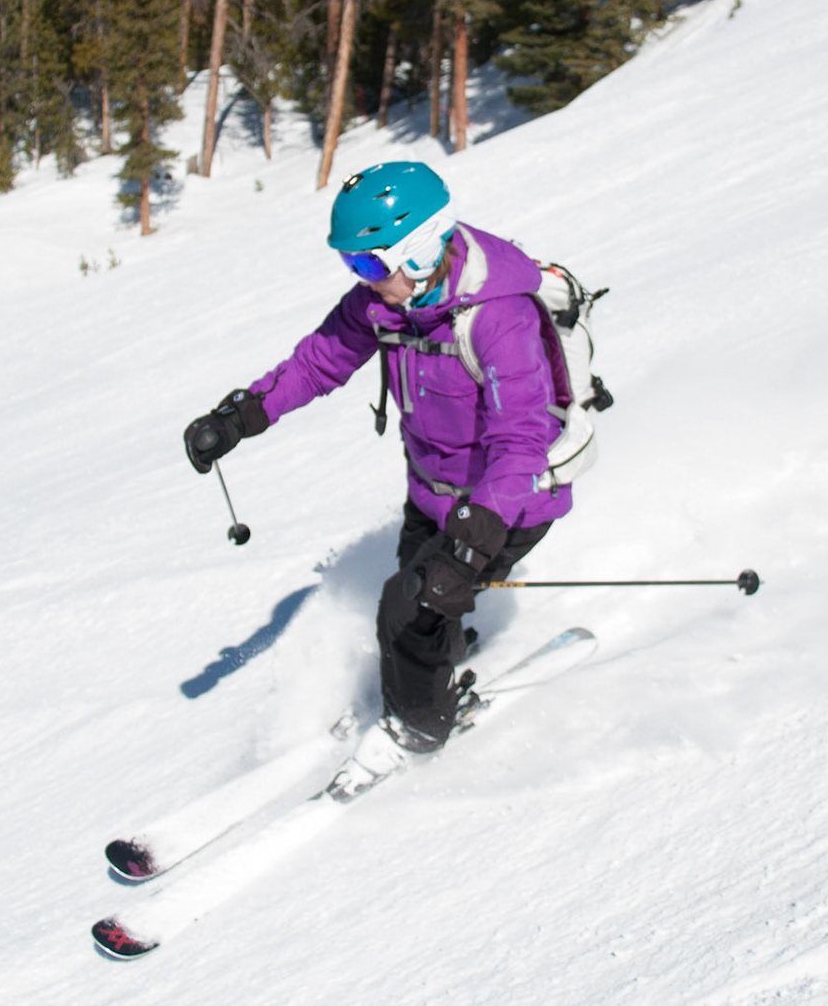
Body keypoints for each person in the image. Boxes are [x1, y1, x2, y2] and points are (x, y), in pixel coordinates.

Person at [184, 161, 573, 788]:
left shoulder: (500, 318)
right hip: (432, 489)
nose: (362, 281)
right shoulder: (390, 303)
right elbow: (319, 362)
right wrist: (241, 417)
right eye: (352, 266)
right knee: (419, 592)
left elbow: (521, 440)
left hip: (507, 506)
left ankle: (418, 728)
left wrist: (473, 543)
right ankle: (433, 663)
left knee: (408, 604)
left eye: (368, 265)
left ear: (418, 252)